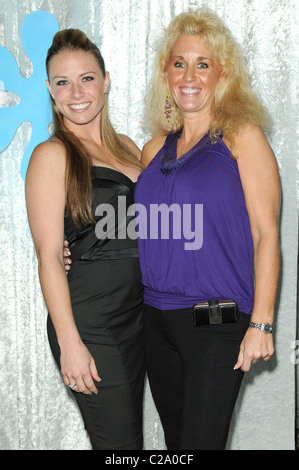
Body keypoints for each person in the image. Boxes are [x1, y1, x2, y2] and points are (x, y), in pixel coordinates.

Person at [134, 9, 281, 450]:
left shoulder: (242, 137)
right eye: (179, 63)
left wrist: (263, 322)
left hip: (216, 323)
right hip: (155, 322)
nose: (189, 75)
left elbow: (266, 233)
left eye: (203, 63)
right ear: (166, 72)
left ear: (223, 73)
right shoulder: (152, 151)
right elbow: (146, 228)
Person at [25, 29, 145, 450]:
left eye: (87, 78)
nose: (76, 92)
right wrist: (70, 343)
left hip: (140, 317)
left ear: (106, 80)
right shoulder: (51, 156)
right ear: (49, 90)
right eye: (62, 82)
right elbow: (49, 257)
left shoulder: (130, 148)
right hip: (92, 325)